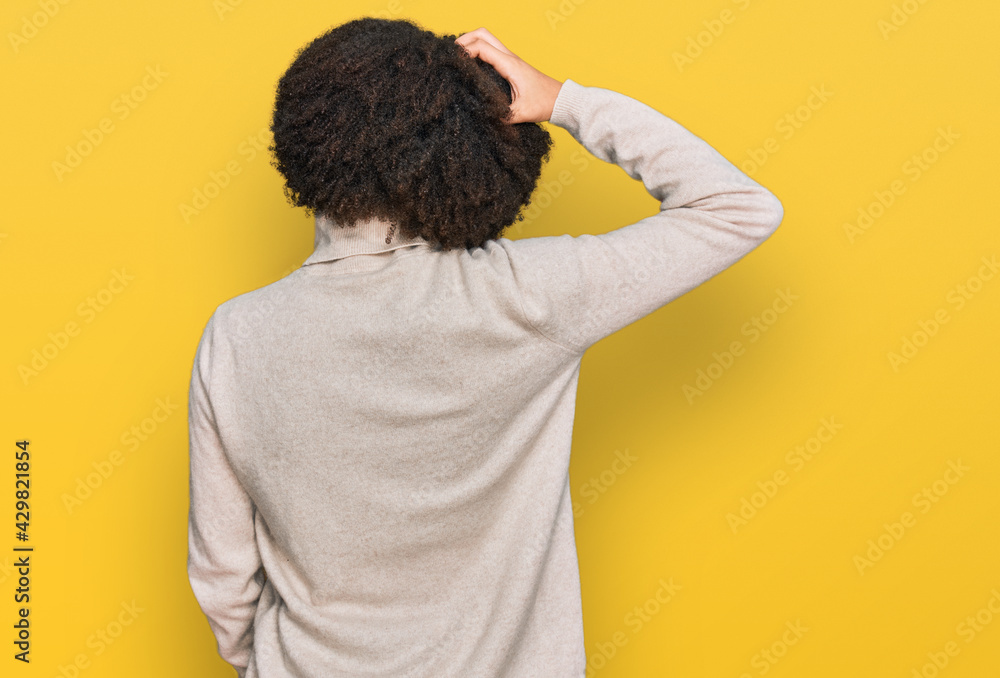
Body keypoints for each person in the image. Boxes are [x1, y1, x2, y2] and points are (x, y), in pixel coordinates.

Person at [186, 18, 783, 678]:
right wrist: (563, 101)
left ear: (305, 137)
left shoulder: (236, 335)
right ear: (470, 148)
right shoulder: (525, 296)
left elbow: (222, 578)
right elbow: (737, 208)